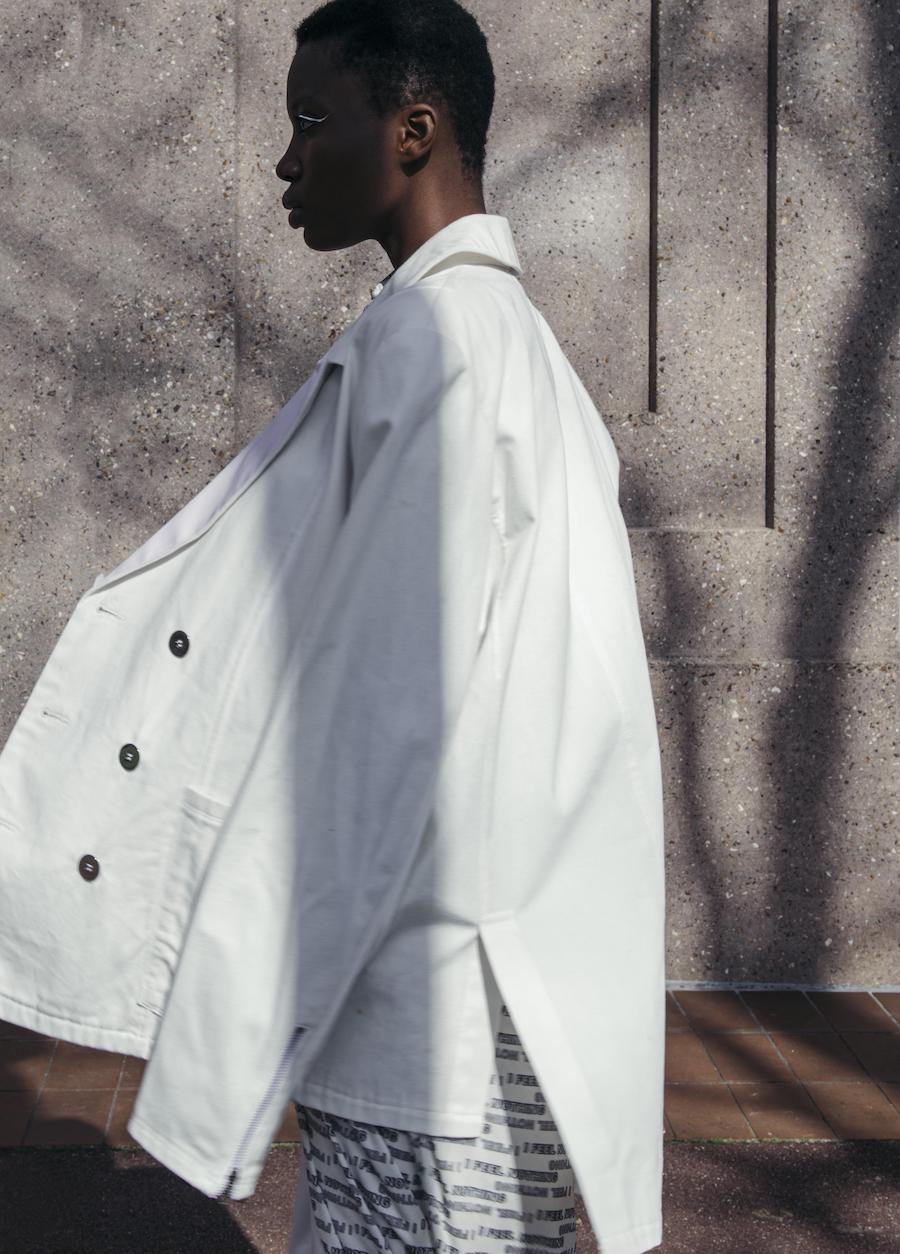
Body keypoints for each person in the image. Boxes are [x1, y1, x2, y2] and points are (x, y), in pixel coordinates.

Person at [0, 1, 665, 1251]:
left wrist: (225, 1054)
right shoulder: (503, 346)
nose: (286, 159)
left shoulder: (437, 346)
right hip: (474, 1001)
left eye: (314, 121)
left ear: (414, 131)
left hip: (425, 1020)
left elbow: (367, 729)